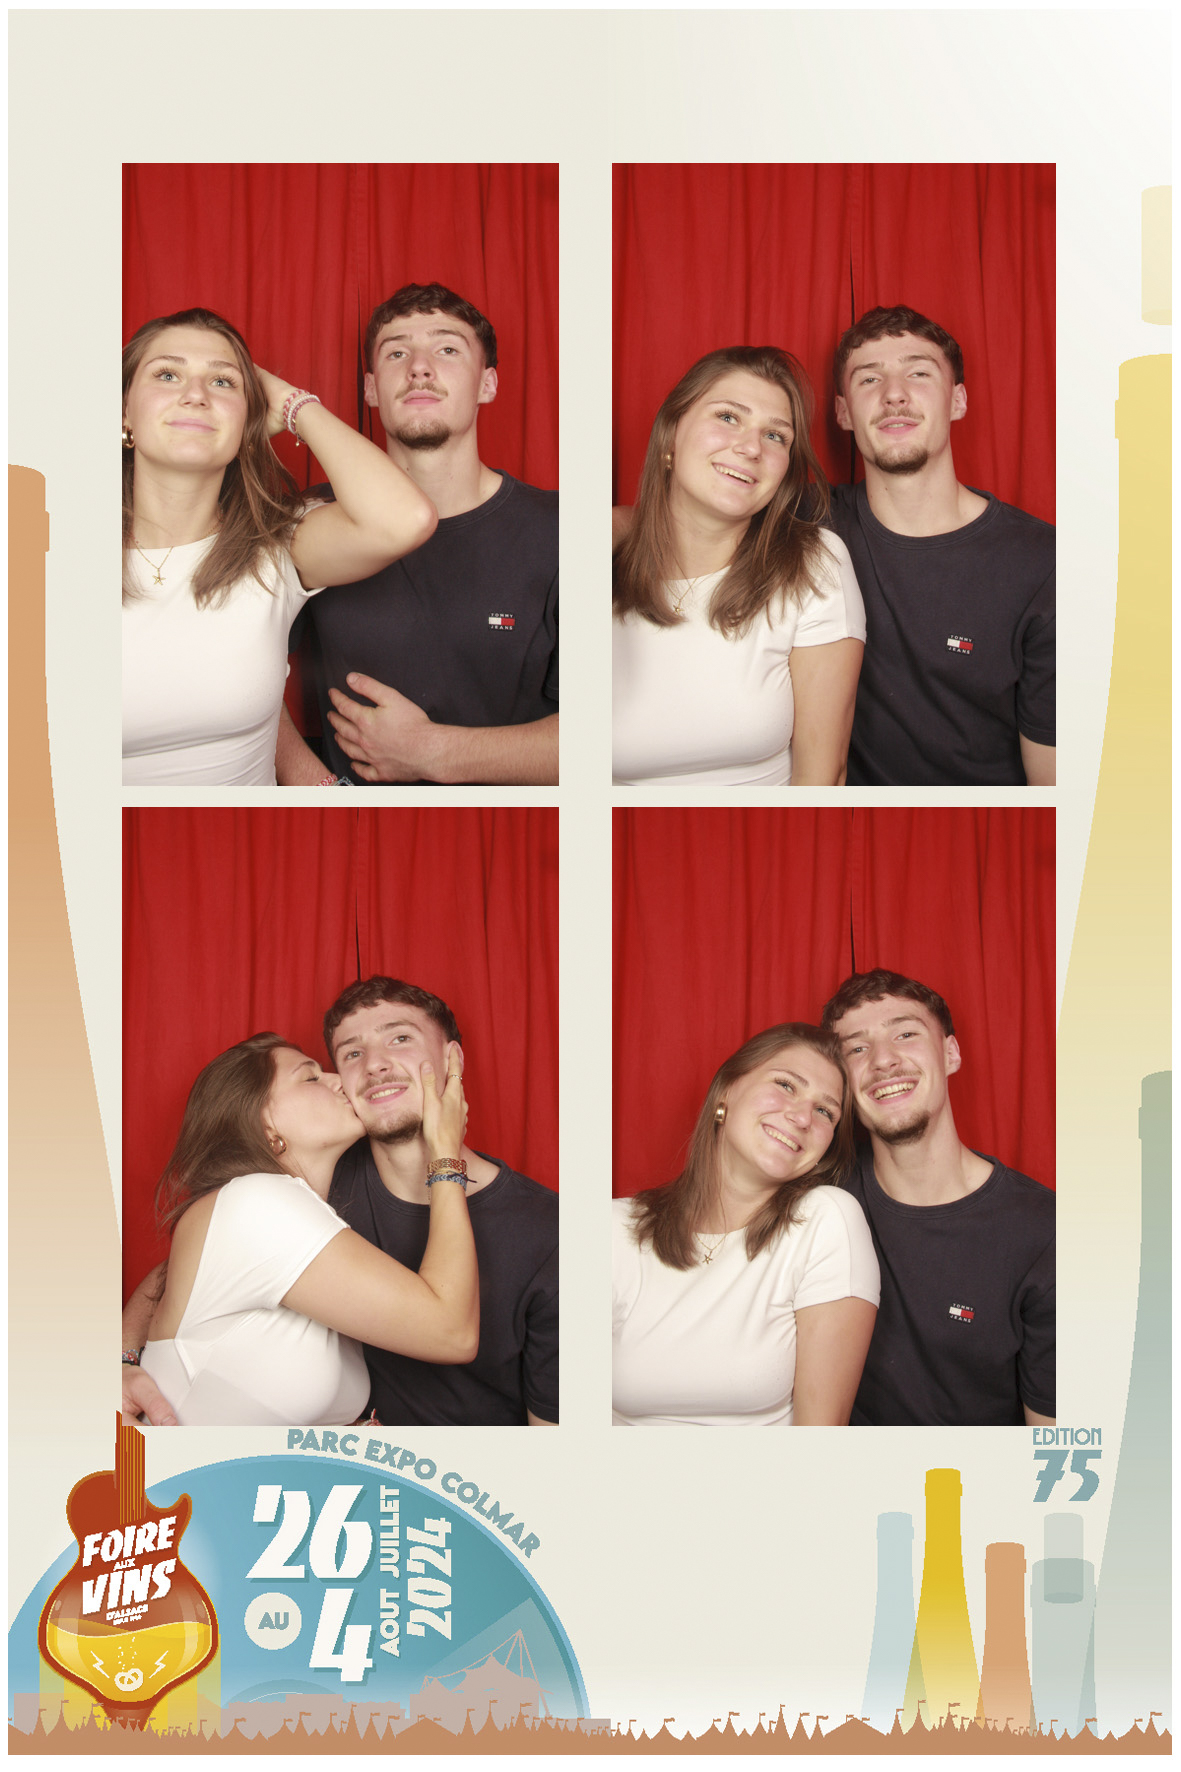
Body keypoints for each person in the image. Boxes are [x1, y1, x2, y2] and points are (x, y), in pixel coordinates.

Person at [124, 978, 558, 1428]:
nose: (370, 1067)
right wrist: (120, 1362)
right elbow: (451, 1331)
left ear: (454, 1060)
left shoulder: (546, 1229)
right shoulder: (266, 1201)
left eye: (400, 1038)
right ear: (265, 1125)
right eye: (349, 1055)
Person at [122, 307, 436, 786]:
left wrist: (292, 403)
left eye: (223, 382)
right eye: (167, 374)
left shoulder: (276, 546)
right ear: (124, 410)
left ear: (250, 419)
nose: (196, 395)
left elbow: (405, 520)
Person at [276, 283, 558, 786]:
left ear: (488, 383)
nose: (420, 368)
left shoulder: (558, 532)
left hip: (511, 824)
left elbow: (604, 733)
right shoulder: (312, 520)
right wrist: (317, 792)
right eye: (396, 352)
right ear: (370, 389)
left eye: (447, 349)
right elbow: (233, 670)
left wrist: (434, 752)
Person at [133, 1033, 476, 1427]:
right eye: (311, 1077)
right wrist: (445, 1152)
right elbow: (453, 1332)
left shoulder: (283, 1214)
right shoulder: (256, 1201)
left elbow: (163, 1279)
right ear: (264, 1124)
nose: (339, 1080)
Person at [612, 346, 865, 786]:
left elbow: (823, 777)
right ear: (671, 436)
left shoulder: (814, 563)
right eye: (728, 416)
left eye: (776, 436)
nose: (750, 447)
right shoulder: (593, 561)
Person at [828, 306, 1056, 786]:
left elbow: (1055, 788)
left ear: (958, 400)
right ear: (843, 412)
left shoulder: (1043, 563)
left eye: (918, 373)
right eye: (869, 379)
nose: (894, 394)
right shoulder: (809, 525)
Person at [612, 1023, 879, 1426]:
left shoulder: (825, 1221)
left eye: (825, 1111)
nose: (802, 1117)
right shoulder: (614, 1227)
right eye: (786, 1085)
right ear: (727, 1090)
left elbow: (819, 1438)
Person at [822, 968, 1056, 1426]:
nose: (883, 1060)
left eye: (905, 1034)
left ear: (950, 1053)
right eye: (857, 1048)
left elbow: (1051, 1444)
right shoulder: (818, 1197)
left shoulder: (1043, 1231)